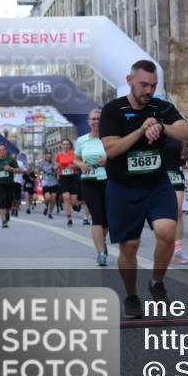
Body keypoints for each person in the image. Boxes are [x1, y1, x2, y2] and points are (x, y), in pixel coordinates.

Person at [100, 59, 188, 318]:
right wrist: (142, 130)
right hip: (122, 187)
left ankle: (157, 282)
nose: (148, 91)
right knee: (129, 246)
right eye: (143, 85)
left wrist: (162, 126)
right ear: (130, 81)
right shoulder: (112, 111)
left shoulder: (161, 107)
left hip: (156, 183)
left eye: (153, 86)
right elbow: (112, 149)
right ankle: (131, 296)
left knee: (166, 231)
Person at [75, 109, 110, 266]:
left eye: (99, 118)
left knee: (108, 218)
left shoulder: (110, 138)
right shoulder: (82, 140)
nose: (96, 121)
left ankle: (101, 240)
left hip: (109, 180)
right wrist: (81, 164)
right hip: (89, 181)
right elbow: (75, 159)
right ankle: (100, 253)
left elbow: (120, 155)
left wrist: (109, 160)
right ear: (89, 122)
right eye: (93, 119)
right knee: (97, 216)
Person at [163, 137, 188, 264]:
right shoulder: (155, 130)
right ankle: (164, 246)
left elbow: (184, 154)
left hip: (175, 173)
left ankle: (177, 251)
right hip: (160, 174)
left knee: (178, 211)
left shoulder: (177, 133)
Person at [0, 144, 22, 228]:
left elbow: (19, 170)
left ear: (5, 150)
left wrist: (11, 169)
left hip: (9, 184)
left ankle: (7, 213)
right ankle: (4, 221)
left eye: (2, 150)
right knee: (2, 202)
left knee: (8, 203)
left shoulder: (10, 160)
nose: (1, 151)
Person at [56, 139, 81, 226]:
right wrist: (57, 166)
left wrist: (73, 166)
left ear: (70, 145)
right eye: (64, 144)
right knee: (66, 197)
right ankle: (69, 218)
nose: (66, 146)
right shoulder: (59, 155)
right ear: (62, 145)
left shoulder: (74, 154)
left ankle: (76, 205)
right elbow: (56, 165)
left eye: (67, 144)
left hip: (73, 177)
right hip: (63, 177)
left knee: (73, 199)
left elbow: (79, 164)